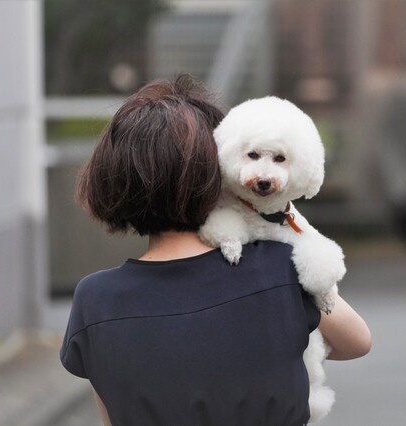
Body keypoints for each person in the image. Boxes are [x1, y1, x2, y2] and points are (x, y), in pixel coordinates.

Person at [60, 74, 371, 426]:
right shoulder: (281, 269)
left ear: (111, 179)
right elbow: (356, 341)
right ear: (219, 174)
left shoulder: (96, 301)